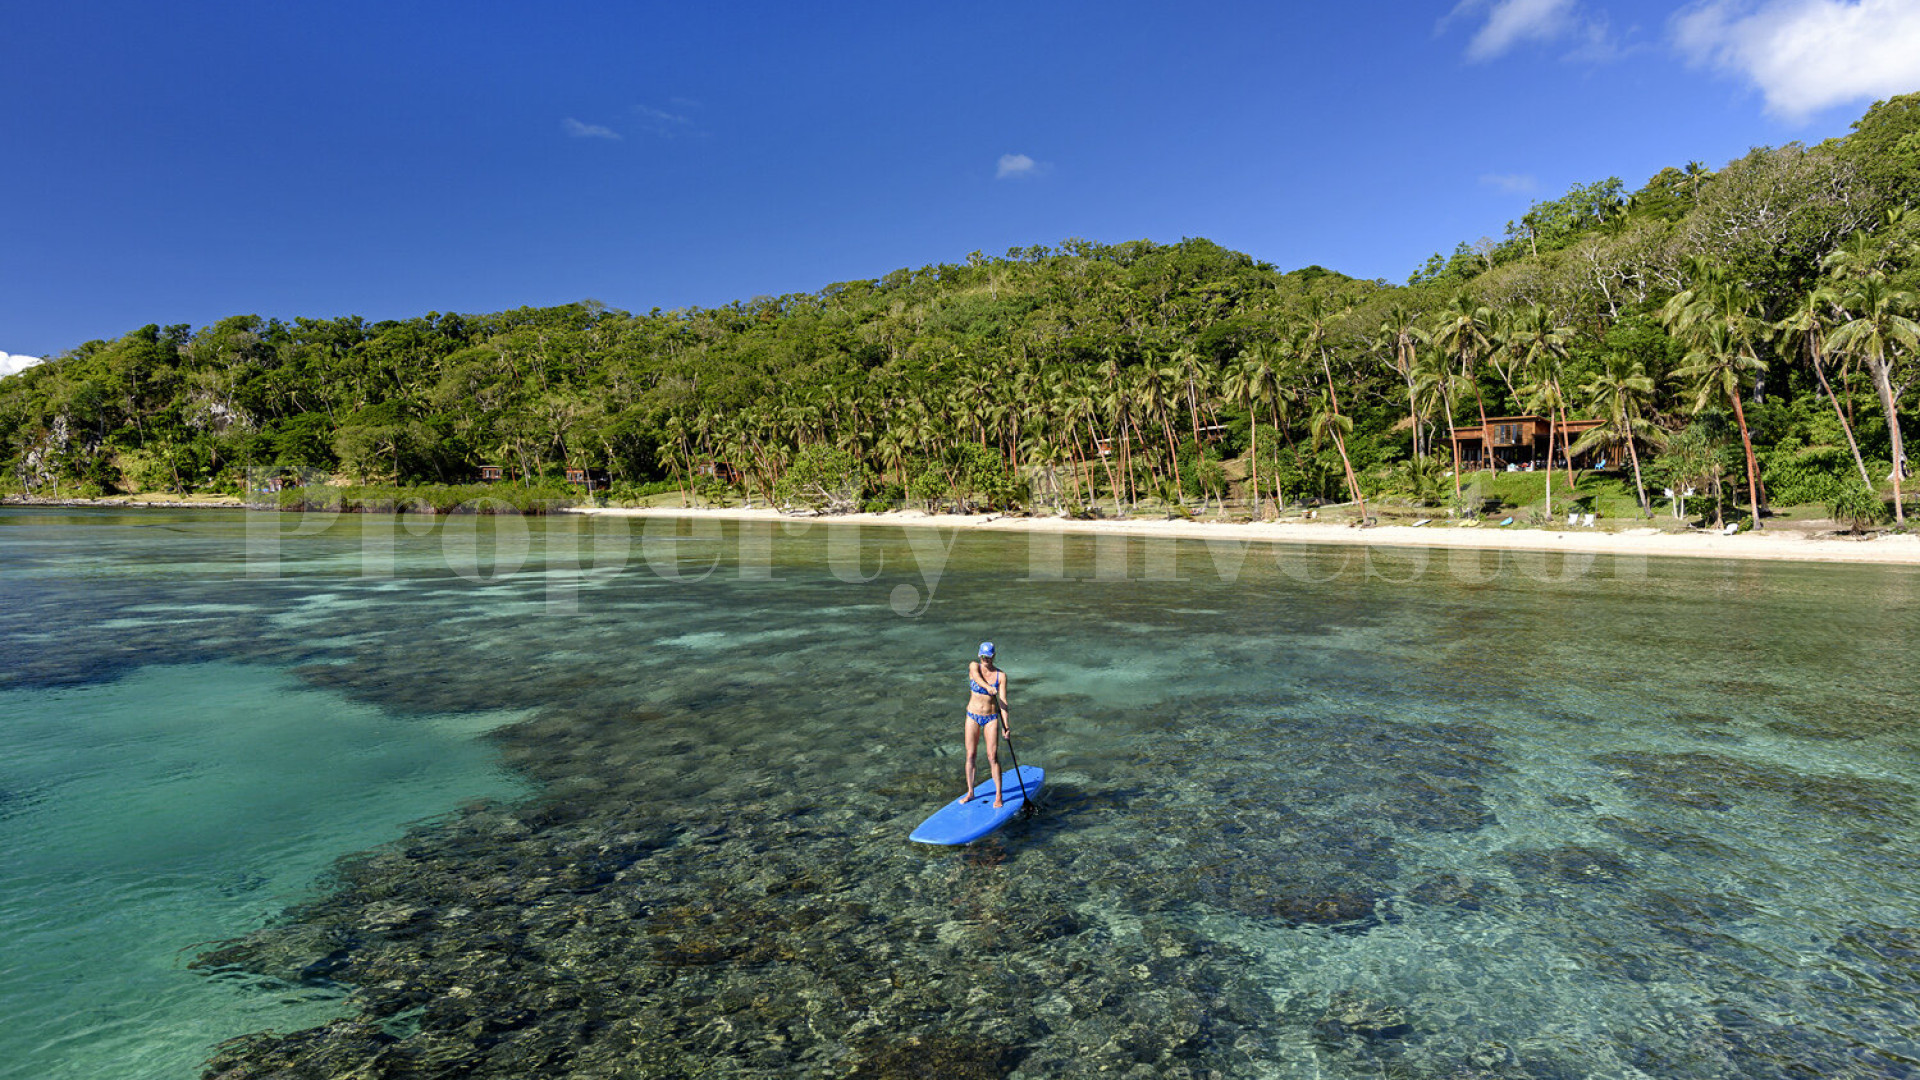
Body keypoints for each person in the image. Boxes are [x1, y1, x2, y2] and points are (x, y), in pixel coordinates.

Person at [961, 641, 1012, 806]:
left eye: (988, 658)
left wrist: (1006, 726)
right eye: (983, 657)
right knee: (971, 755)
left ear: (993, 656)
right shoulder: (973, 666)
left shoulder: (1001, 676)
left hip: (991, 718)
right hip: (972, 715)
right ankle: (970, 792)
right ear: (979, 655)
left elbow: (1003, 703)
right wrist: (988, 687)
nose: (985, 660)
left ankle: (998, 796)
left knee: (992, 757)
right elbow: (976, 677)